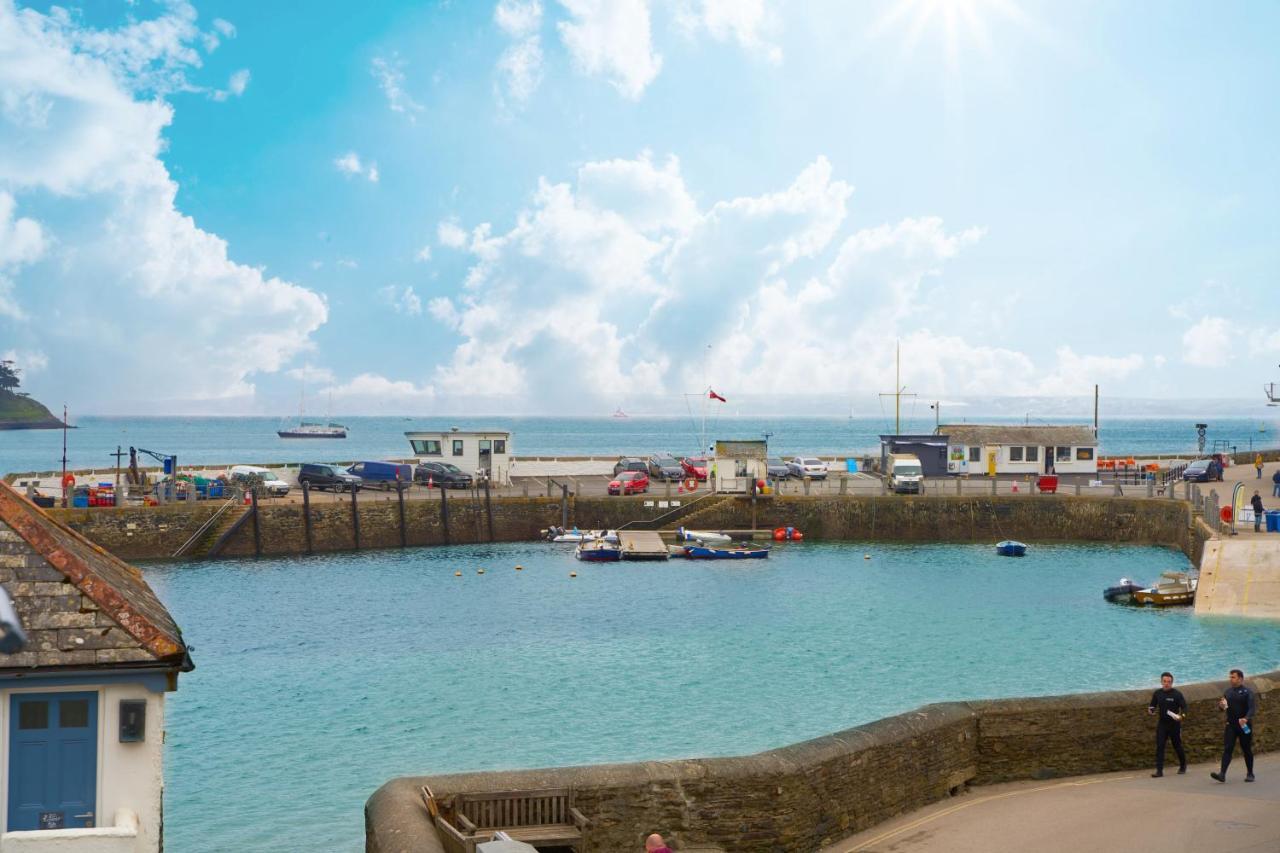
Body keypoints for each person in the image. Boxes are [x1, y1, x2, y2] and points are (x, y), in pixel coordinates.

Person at [1210, 669, 1256, 783]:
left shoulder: (1247, 692)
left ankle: (1250, 773)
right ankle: (1222, 774)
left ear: (1240, 678)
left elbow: (1252, 708)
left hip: (1244, 725)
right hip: (1231, 725)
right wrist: (1221, 706)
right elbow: (1223, 708)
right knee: (1228, 748)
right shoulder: (1228, 692)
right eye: (1230, 677)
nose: (1231, 679)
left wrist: (1246, 718)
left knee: (1246, 749)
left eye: (1233, 677)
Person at [1147, 672, 1187, 776]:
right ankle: (1159, 771)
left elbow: (1185, 708)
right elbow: (1152, 706)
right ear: (1161, 682)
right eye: (1164, 681)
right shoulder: (1157, 693)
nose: (1166, 684)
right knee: (1160, 746)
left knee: (1177, 745)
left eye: (1169, 682)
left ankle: (1183, 765)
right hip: (1162, 724)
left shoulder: (1177, 694)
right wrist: (1151, 710)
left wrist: (1182, 716)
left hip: (1174, 725)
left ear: (1172, 683)